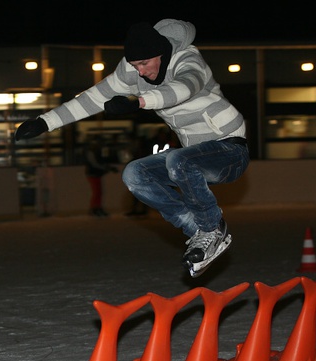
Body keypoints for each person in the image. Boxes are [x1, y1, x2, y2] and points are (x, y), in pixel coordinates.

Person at [15, 19, 249, 277]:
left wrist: (139, 101)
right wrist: (45, 122)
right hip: (193, 154)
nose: (140, 72)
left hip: (229, 148)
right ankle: (198, 230)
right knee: (135, 173)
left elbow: (183, 88)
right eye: (135, 65)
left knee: (178, 161)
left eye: (145, 64)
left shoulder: (187, 59)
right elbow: (92, 99)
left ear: (161, 54)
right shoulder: (130, 71)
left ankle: (211, 228)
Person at [83, 139, 116, 217]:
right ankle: (95, 209)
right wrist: (106, 168)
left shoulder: (94, 152)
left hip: (95, 174)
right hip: (93, 174)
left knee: (98, 192)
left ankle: (96, 208)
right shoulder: (91, 152)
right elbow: (95, 164)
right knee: (97, 192)